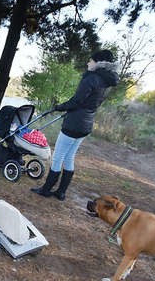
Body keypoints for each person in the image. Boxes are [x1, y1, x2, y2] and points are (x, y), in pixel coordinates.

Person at [32, 49, 119, 200]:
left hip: (74, 124)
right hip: (86, 124)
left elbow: (76, 101)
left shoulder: (91, 78)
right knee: (69, 157)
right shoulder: (105, 81)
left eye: (91, 60)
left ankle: (46, 189)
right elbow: (89, 102)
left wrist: (58, 107)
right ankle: (61, 192)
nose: (88, 62)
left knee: (58, 157)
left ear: (98, 63)